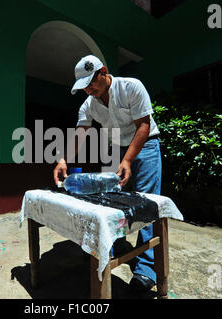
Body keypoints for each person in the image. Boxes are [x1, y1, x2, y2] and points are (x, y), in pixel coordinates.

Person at [53, 55, 162, 293]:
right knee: (113, 200)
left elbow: (144, 125)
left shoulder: (131, 87)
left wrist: (128, 160)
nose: (88, 89)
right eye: (84, 87)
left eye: (91, 82)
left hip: (146, 146)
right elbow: (81, 132)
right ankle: (115, 245)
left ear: (104, 71)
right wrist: (63, 160)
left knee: (146, 203)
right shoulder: (89, 103)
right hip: (117, 149)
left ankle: (147, 270)